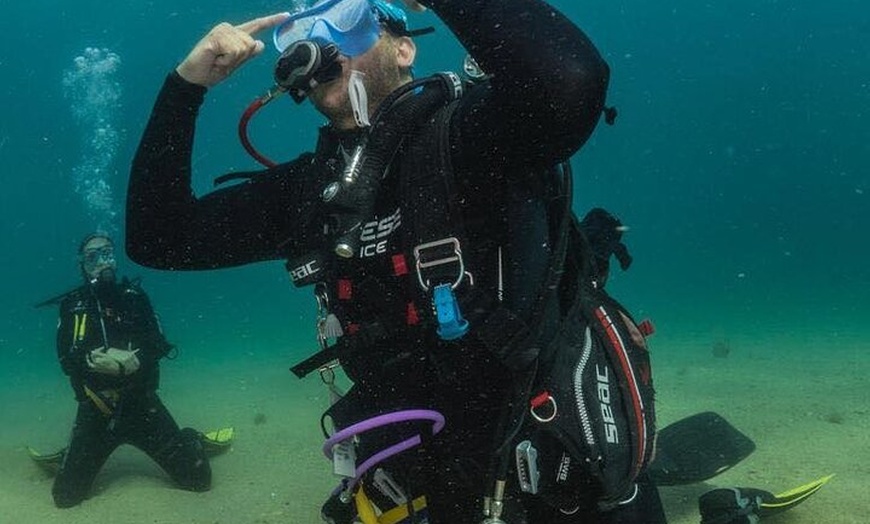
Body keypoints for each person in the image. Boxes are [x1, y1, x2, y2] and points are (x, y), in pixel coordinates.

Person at [126, 0, 664, 521]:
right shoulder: (313, 193)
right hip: (433, 473)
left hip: (556, 463)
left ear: (404, 49)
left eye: (348, 25)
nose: (323, 50)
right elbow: (159, 239)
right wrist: (185, 88)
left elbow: (569, 82)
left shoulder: (476, 135)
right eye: (305, 39)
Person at [49, 233, 211, 507]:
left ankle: (190, 439)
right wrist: (90, 360)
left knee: (198, 480)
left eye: (108, 253)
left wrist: (135, 362)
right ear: (83, 265)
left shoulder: (135, 297)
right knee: (66, 497)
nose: (103, 262)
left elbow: (159, 344)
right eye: (94, 257)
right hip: (96, 410)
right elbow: (65, 359)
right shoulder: (73, 306)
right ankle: (72, 452)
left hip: (142, 406)